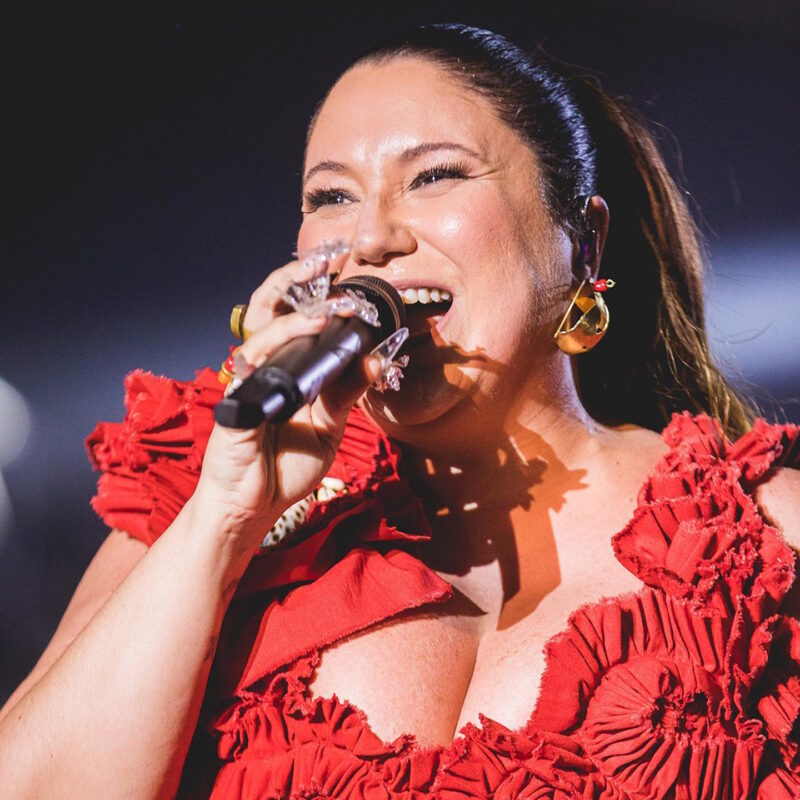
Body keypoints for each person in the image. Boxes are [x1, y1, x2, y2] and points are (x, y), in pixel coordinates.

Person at [1, 23, 799, 799]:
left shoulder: (762, 538)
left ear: (583, 241)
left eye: (433, 176)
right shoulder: (202, 492)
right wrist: (225, 519)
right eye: (331, 195)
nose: (370, 236)